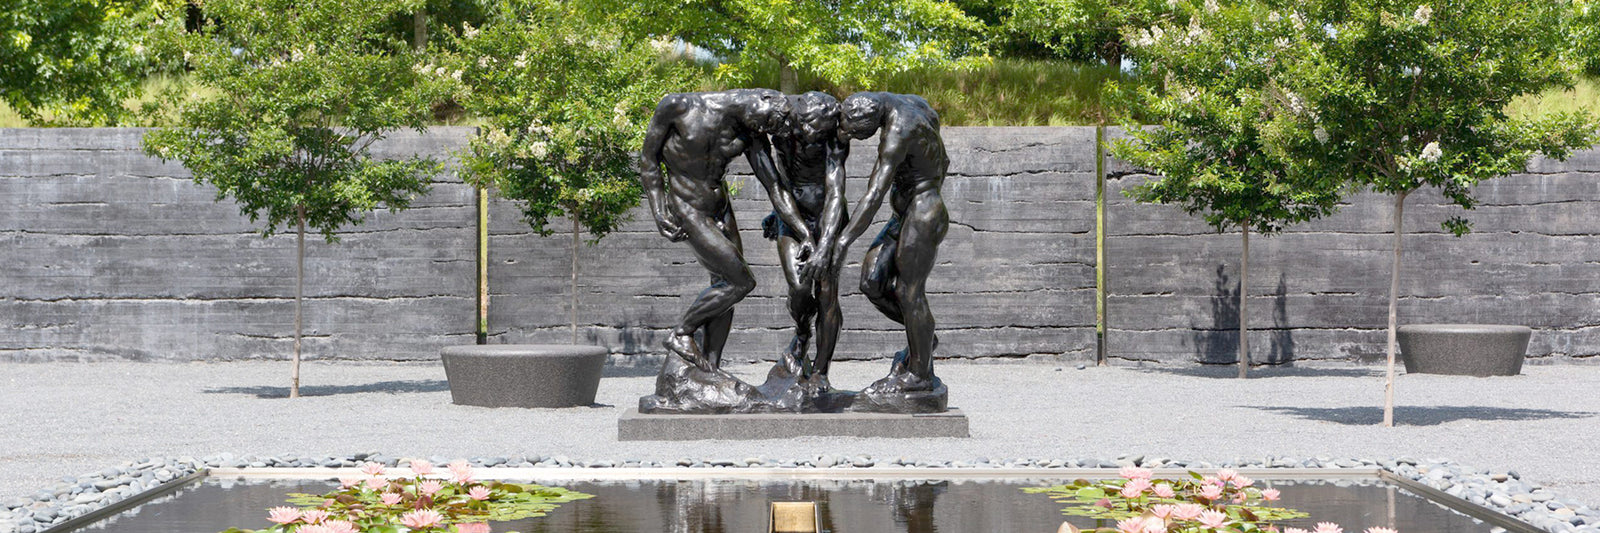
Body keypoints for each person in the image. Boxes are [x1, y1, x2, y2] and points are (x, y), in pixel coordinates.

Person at [638, 88, 814, 373]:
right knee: (740, 282)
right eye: (767, 123)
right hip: (687, 208)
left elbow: (774, 186)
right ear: (761, 99)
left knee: (724, 286)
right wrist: (659, 211)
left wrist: (802, 231)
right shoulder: (677, 105)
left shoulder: (750, 132)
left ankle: (711, 369)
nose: (765, 130)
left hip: (721, 209)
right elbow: (648, 160)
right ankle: (682, 333)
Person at [832, 91, 950, 408]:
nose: (854, 138)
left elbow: (873, 195)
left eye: (857, 133)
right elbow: (945, 158)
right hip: (907, 211)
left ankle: (920, 374)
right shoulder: (916, 104)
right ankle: (922, 340)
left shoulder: (897, 131)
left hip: (923, 213)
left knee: (910, 292)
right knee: (872, 281)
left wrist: (842, 240)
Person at [763, 91, 848, 388]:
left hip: (827, 214)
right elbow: (778, 178)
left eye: (820, 132)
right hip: (792, 212)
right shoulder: (781, 124)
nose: (814, 136)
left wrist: (825, 244)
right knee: (799, 287)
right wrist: (783, 216)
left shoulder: (835, 135)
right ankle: (802, 331)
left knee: (827, 293)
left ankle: (821, 371)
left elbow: (836, 189)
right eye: (810, 128)